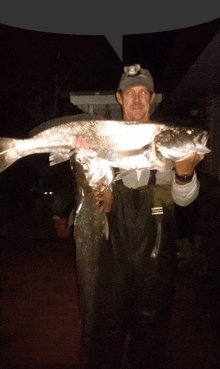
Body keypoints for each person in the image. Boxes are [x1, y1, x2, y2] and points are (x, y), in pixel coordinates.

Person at [73, 64, 204, 369]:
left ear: (152, 97)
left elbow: (184, 200)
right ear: (119, 98)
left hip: (156, 266)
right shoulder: (102, 141)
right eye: (129, 93)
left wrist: (184, 176)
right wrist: (83, 164)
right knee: (106, 336)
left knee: (151, 342)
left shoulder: (169, 140)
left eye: (142, 93)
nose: (136, 100)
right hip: (112, 262)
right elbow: (97, 203)